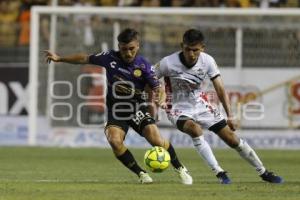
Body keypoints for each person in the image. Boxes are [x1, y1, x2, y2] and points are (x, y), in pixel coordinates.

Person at [44, 28, 193, 185]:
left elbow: (159, 88)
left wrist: (161, 100)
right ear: (119, 46)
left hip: (136, 109)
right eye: (124, 49)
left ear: (138, 46)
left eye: (131, 49)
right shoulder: (109, 57)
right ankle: (141, 174)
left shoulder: (144, 66)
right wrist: (60, 58)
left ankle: (180, 168)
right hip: (116, 111)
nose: (128, 53)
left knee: (155, 138)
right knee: (114, 141)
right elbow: (85, 58)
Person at [155, 28, 283, 184]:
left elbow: (220, 89)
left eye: (195, 50)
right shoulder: (168, 63)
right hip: (176, 107)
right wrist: (159, 94)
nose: (191, 54)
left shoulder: (207, 61)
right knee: (195, 129)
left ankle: (263, 172)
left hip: (201, 104)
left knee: (232, 139)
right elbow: (151, 79)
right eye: (188, 49)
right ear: (182, 46)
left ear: (202, 48)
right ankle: (219, 172)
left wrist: (230, 115)